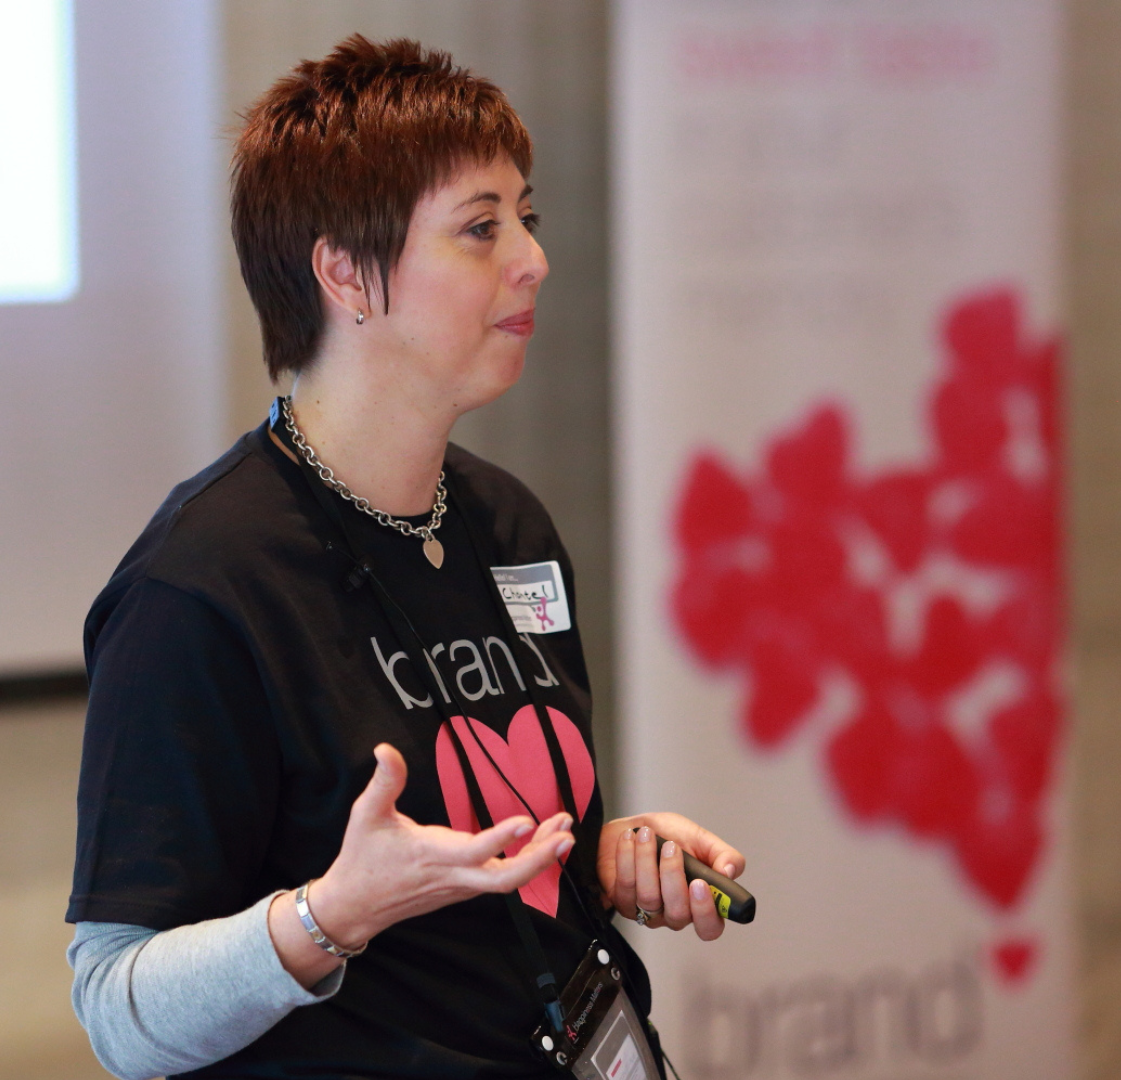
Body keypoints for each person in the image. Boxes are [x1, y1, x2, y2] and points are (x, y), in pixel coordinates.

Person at [66, 35, 746, 1079]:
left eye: (525, 217)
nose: (532, 259)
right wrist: (330, 916)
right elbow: (117, 1010)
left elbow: (483, 866)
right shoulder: (199, 585)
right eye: (480, 228)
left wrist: (600, 860)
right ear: (345, 272)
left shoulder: (508, 523)